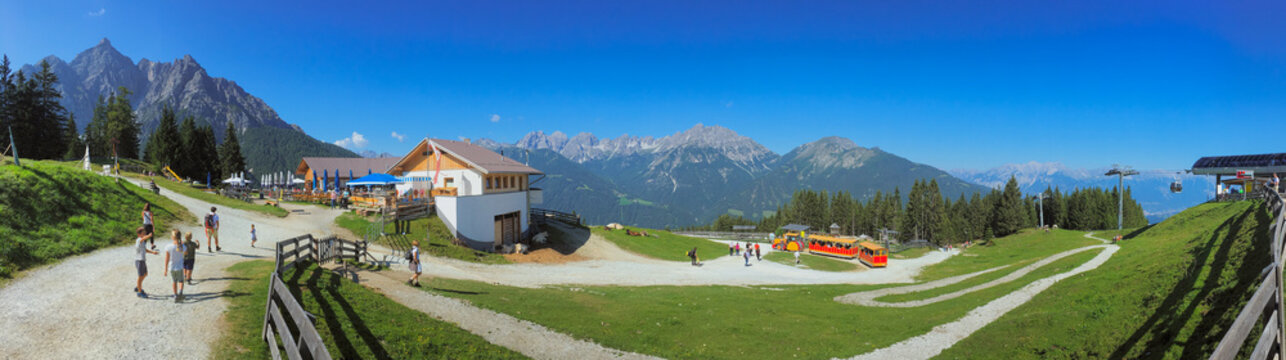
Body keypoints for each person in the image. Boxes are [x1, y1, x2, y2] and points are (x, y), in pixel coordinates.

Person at [133, 227, 158, 298]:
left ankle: (138, 286)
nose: (144, 234)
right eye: (143, 233)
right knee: (140, 276)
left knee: (145, 274)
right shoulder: (138, 240)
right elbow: (142, 239)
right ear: (139, 234)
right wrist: (149, 236)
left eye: (145, 233)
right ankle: (139, 292)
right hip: (139, 260)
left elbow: (145, 249)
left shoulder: (143, 241)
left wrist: (152, 252)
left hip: (142, 260)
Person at [163, 230, 186, 303]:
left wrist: (165, 269)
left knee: (174, 281)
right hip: (180, 267)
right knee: (181, 280)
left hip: (172, 267)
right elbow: (186, 253)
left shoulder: (168, 247)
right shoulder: (182, 246)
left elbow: (166, 259)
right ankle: (181, 292)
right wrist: (182, 244)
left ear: (172, 237)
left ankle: (175, 295)